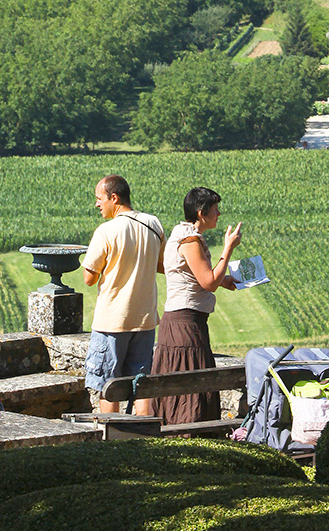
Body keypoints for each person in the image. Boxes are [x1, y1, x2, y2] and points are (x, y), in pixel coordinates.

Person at [148, 187, 242, 424]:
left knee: (180, 384)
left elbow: (193, 275)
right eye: (215, 209)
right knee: (192, 385)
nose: (219, 214)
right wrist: (228, 248)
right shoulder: (190, 240)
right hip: (186, 324)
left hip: (180, 322)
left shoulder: (181, 233)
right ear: (201, 213)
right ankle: (190, 432)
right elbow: (208, 282)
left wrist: (224, 280)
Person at [82, 174, 165, 415]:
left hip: (112, 322)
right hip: (145, 320)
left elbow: (89, 278)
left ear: (114, 198)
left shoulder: (106, 231)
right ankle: (145, 436)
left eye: (99, 199)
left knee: (108, 385)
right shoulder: (153, 224)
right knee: (142, 387)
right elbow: (161, 265)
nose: (97, 204)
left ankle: (110, 443)